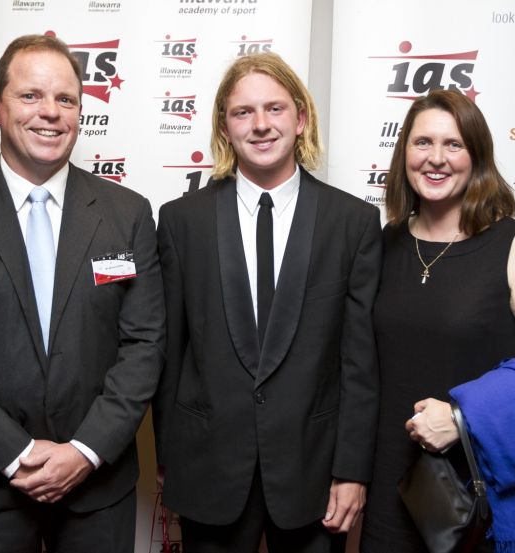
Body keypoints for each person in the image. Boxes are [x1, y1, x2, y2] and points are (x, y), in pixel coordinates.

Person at [0, 34, 165, 553]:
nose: (50, 112)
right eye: (30, 95)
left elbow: (145, 344)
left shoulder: (127, 214)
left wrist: (85, 450)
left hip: (98, 487)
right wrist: (15, 454)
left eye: (66, 99)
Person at [153, 52, 381, 552]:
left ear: (300, 119)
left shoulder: (353, 223)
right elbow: (169, 352)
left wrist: (352, 470)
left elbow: (359, 361)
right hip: (208, 468)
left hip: (314, 472)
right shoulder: (180, 222)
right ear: (224, 127)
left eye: (274, 108)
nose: (260, 125)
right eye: (243, 112)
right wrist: (170, 455)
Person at [360, 89, 515, 553]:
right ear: (404, 153)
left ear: (476, 157)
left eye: (454, 144)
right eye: (423, 142)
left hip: (480, 487)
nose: (436, 158)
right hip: (391, 486)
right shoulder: (385, 243)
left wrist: (462, 418)